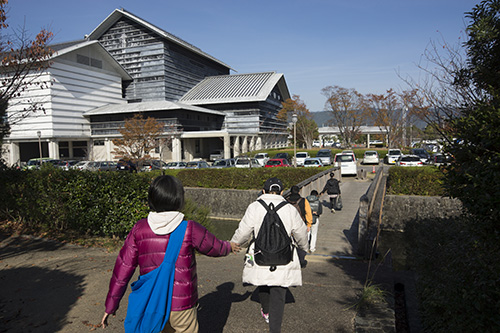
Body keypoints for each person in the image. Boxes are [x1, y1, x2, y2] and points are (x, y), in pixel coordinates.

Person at [101, 175, 240, 332]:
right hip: (182, 306)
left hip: (152, 303)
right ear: (179, 199)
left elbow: (123, 269)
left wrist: (111, 305)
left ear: (152, 198)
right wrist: (229, 246)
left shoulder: (139, 229)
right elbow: (215, 247)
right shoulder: (190, 228)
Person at [230, 177, 309, 333]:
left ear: (264, 191)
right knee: (279, 293)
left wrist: (234, 243)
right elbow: (300, 232)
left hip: (261, 254)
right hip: (284, 256)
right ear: (281, 192)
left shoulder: (254, 207)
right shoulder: (289, 208)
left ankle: (266, 311)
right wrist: (303, 247)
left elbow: (244, 231)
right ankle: (275, 329)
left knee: (263, 282)